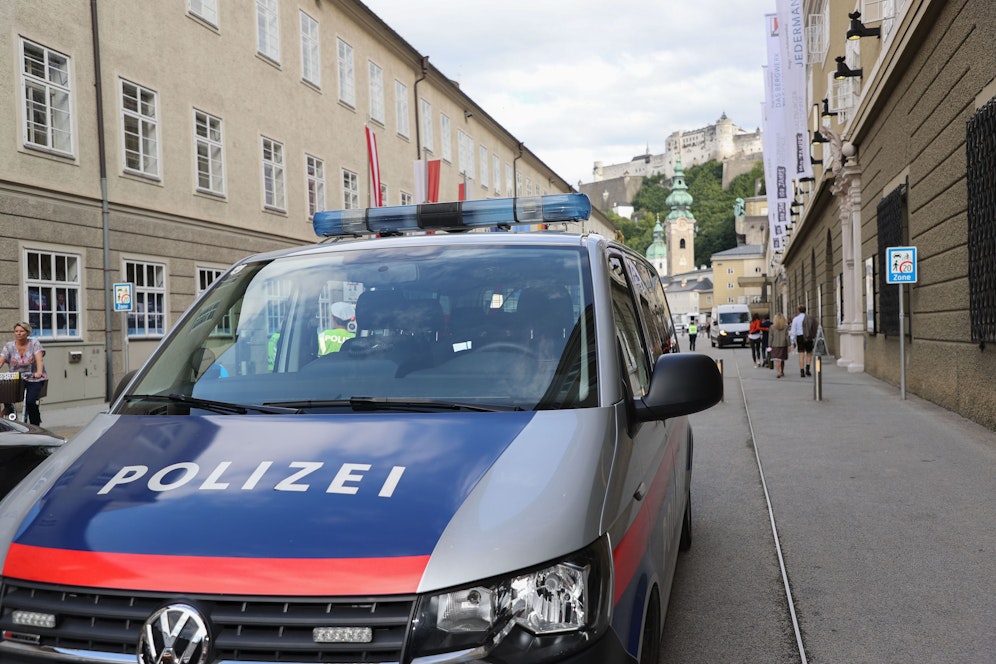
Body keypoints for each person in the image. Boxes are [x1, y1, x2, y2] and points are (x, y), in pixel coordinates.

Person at [0, 322, 47, 425]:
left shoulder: (34, 343)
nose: (19, 333)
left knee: (30, 401)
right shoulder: (9, 346)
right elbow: (1, 360)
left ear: (27, 332)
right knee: (4, 390)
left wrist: (38, 372)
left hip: (33, 378)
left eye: (21, 331)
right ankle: (8, 408)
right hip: (16, 378)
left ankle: (35, 424)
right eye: (16, 331)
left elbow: (39, 360)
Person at [791, 305, 818, 377]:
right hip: (808, 336)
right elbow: (814, 327)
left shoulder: (796, 319)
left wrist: (792, 341)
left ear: (798, 311)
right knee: (809, 353)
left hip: (800, 337)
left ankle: (802, 371)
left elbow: (793, 331)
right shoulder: (810, 318)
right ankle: (808, 369)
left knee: (801, 354)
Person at [768, 313, 790, 378]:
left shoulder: (772, 327)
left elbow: (770, 337)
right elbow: (787, 337)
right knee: (782, 359)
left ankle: (778, 371)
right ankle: (782, 371)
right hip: (783, 345)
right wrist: (789, 344)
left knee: (776, 359)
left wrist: (769, 345)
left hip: (774, 345)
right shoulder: (786, 327)